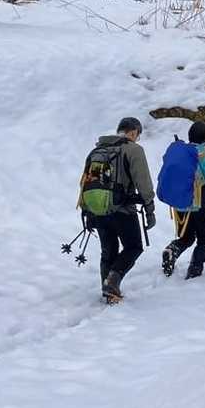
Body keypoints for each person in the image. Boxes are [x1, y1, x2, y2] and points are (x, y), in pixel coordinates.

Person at [81, 116, 156, 303]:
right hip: (123, 209)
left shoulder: (97, 151)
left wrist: (87, 211)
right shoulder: (133, 150)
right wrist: (149, 209)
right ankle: (113, 281)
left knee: (108, 251)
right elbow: (143, 182)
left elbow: (86, 183)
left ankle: (109, 292)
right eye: (137, 135)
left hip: (98, 209)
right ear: (133, 132)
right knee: (133, 247)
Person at [160, 121, 205, 280]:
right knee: (204, 239)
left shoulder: (182, 155)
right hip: (201, 205)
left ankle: (172, 250)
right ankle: (195, 268)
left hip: (180, 204)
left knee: (186, 238)